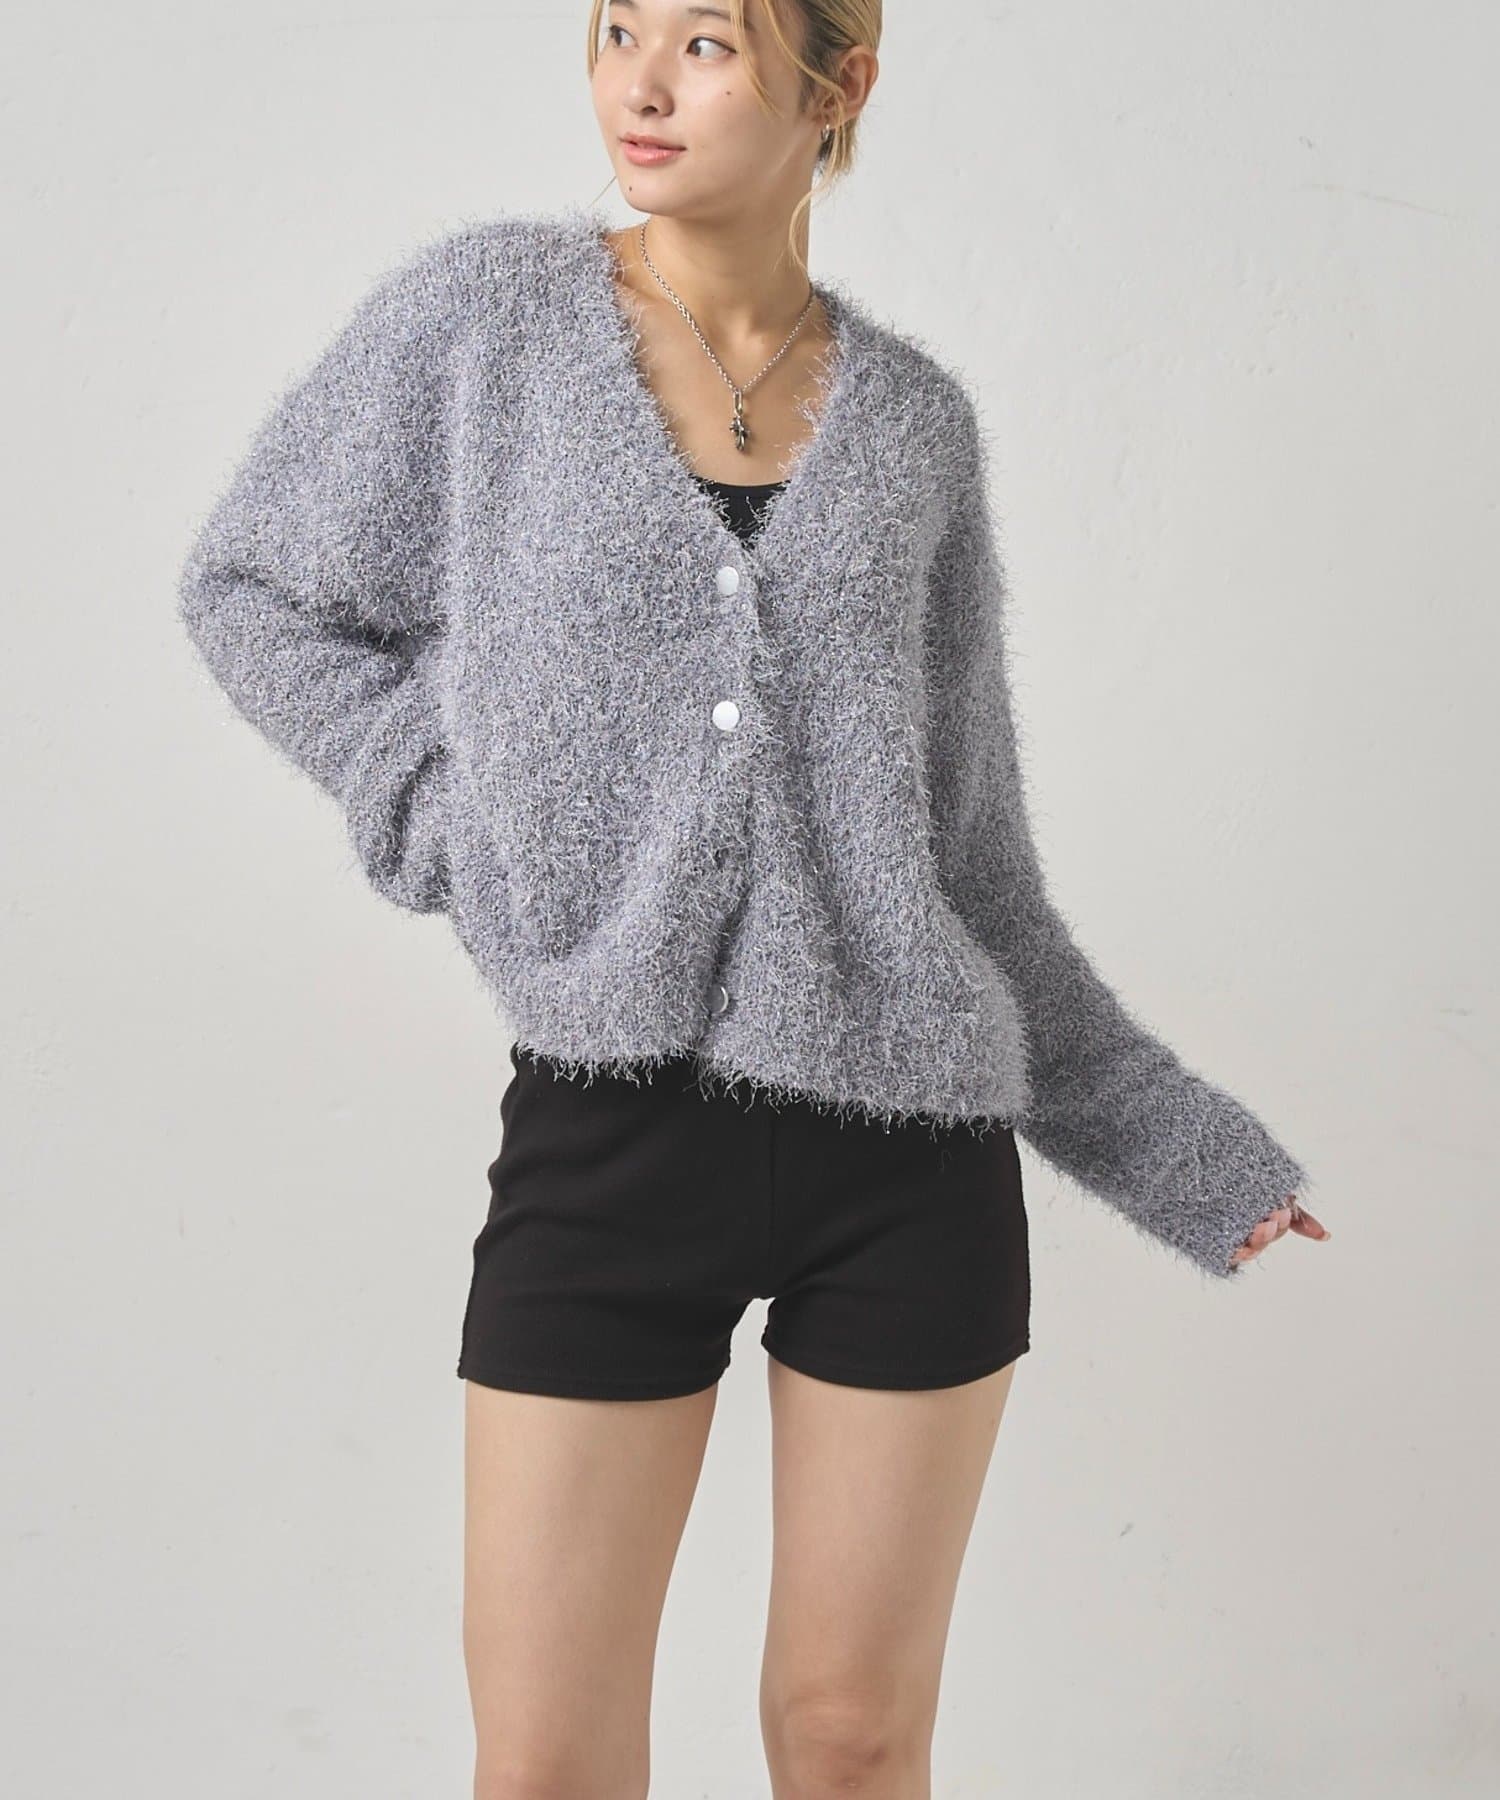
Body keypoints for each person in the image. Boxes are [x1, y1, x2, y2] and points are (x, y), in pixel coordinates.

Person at [177, 2, 1332, 1793]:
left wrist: (1175, 1143)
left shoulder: (916, 429)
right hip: (610, 1143)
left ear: (837, 84)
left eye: (706, 42)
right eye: (616, 27)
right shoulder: (483, 326)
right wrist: (452, 817)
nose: (640, 84)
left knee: (852, 1739)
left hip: (913, 1164)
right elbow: (256, 591)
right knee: (547, 1762)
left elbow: (972, 871)